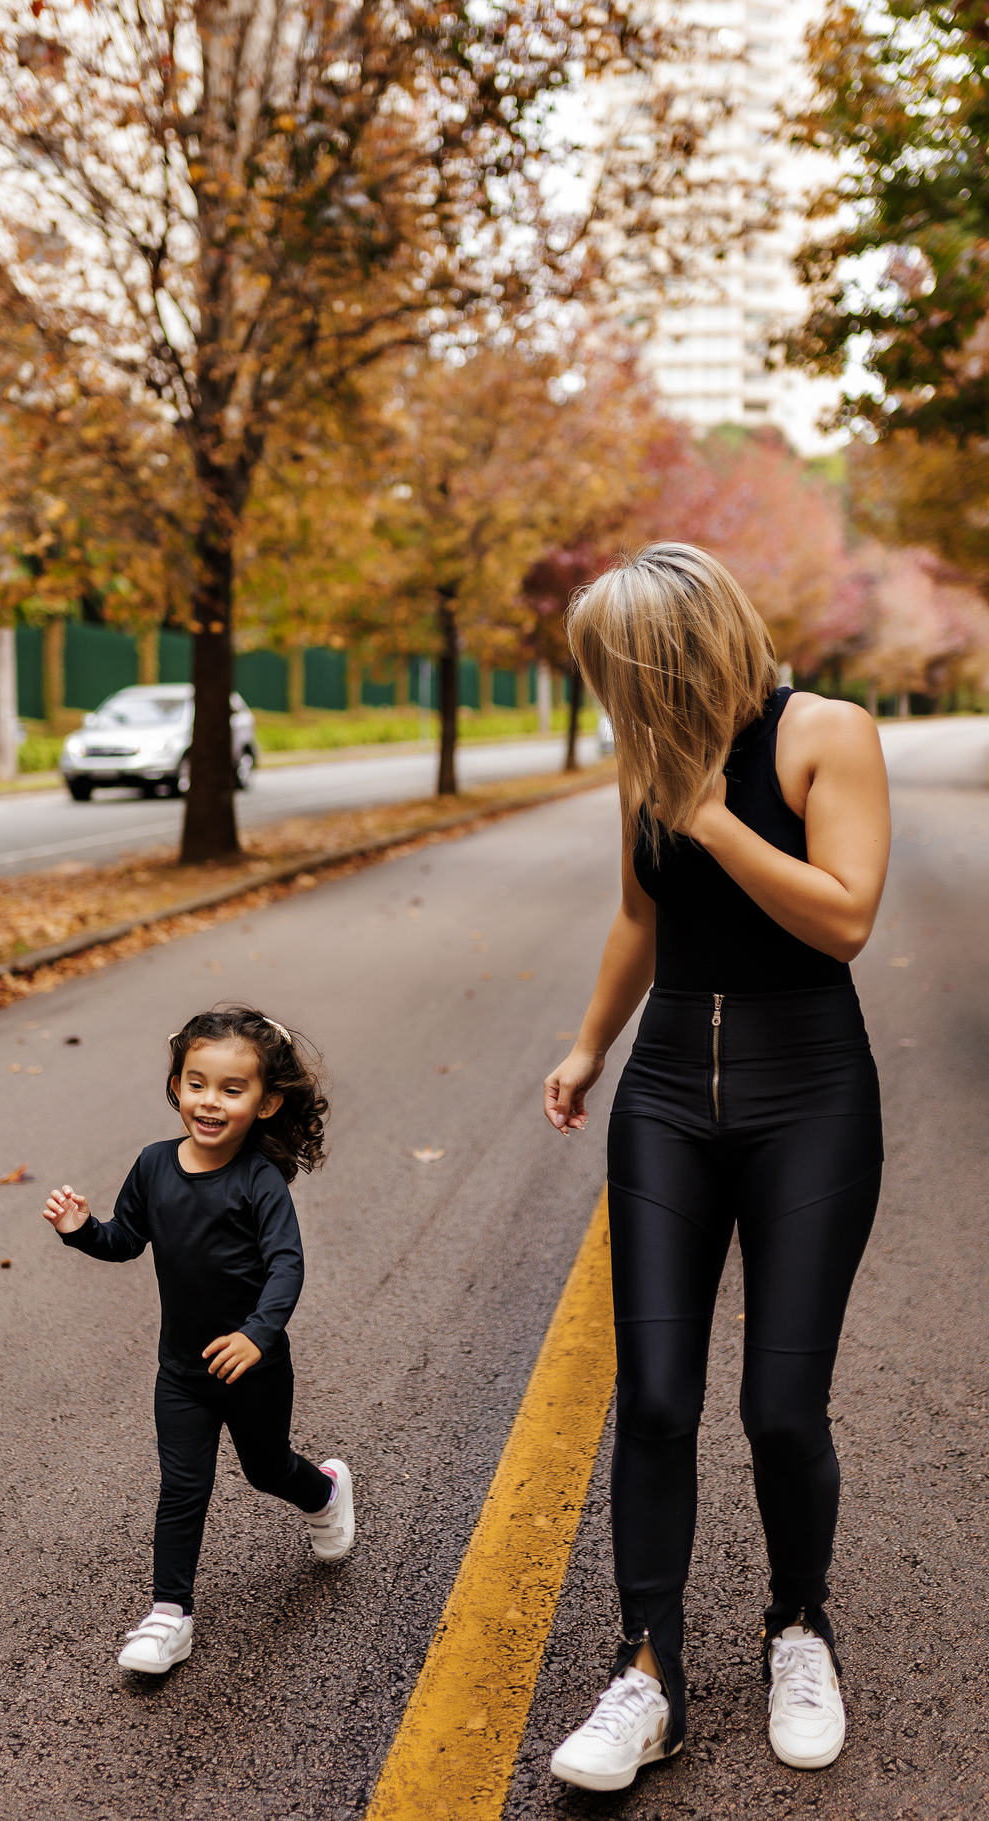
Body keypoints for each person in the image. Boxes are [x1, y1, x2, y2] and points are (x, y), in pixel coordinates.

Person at [543, 544, 889, 1792]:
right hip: (668, 1101)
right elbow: (642, 918)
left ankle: (800, 1627)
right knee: (653, 1399)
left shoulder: (825, 734)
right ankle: (649, 1675)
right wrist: (589, 1047)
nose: (611, 700)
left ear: (677, 652)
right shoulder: (645, 758)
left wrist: (712, 820)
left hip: (814, 1101)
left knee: (781, 1409)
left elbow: (845, 916)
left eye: (619, 674)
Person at [44, 1005, 354, 1675]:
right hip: (181, 1371)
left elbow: (286, 1265)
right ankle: (168, 1616)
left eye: (231, 1089)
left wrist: (255, 1335)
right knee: (182, 1487)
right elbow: (124, 1240)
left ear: (266, 1101)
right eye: (195, 1082)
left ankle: (325, 1491)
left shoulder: (258, 1180)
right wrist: (80, 1228)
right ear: (177, 1084)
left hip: (253, 1368)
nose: (208, 1101)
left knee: (267, 1468)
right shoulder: (154, 1165)